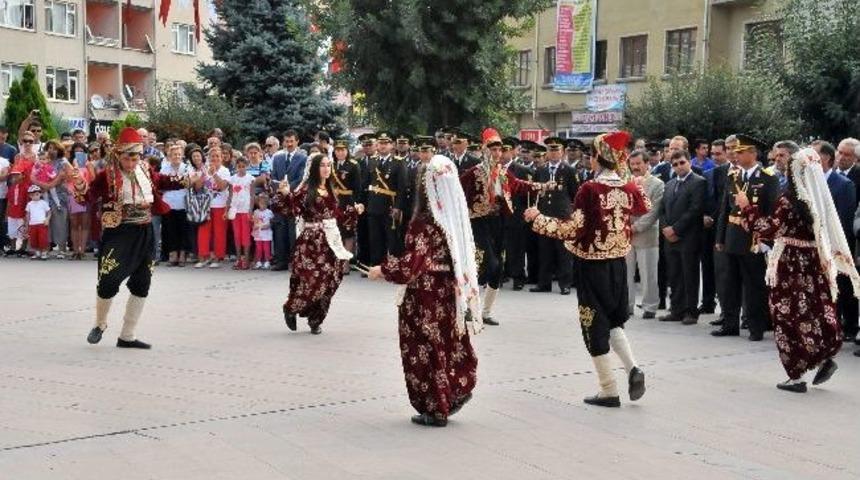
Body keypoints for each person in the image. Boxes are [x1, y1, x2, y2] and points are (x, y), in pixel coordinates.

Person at [525, 131, 650, 408]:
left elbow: (572, 228)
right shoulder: (628, 187)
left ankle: (608, 389)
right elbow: (645, 205)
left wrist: (538, 219)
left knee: (593, 325)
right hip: (619, 264)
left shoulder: (590, 189)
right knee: (614, 321)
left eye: (592, 155)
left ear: (597, 158)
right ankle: (633, 368)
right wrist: (628, 175)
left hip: (592, 266)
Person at [368, 154, 481, 427]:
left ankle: (435, 407)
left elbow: (411, 265)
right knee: (447, 343)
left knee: (425, 347)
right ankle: (454, 392)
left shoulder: (424, 223)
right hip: (448, 292)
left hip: (424, 295)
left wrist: (382, 269)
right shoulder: (450, 220)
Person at [736, 147, 858, 392]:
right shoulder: (817, 198)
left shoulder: (789, 200)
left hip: (789, 265)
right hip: (812, 262)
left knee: (787, 316)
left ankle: (796, 376)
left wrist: (746, 207)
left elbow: (769, 227)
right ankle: (822, 358)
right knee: (812, 311)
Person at [72, 127, 177, 350]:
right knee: (108, 280)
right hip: (119, 233)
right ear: (118, 155)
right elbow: (89, 197)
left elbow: (164, 181)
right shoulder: (107, 175)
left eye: (136, 157)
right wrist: (80, 186)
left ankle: (127, 335)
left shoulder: (146, 171)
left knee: (142, 283)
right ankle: (99, 324)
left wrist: (188, 180)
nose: (132, 162)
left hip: (145, 232)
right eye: (128, 157)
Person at [275, 154, 364, 334]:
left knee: (332, 279)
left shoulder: (331, 189)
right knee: (313, 280)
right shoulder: (307, 189)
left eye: (328, 165)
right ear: (315, 168)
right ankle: (291, 308)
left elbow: (336, 214)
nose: (326, 168)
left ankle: (316, 319)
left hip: (330, 241)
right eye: (322, 165)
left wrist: (354, 210)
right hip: (311, 243)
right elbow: (292, 209)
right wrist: (284, 194)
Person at [460, 129, 541, 325]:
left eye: (499, 149)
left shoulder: (503, 172)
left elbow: (519, 185)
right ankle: (467, 306)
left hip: (499, 222)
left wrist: (541, 186)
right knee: (488, 263)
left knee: (498, 268)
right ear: (484, 150)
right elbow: (459, 192)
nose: (496, 153)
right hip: (479, 222)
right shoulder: (473, 173)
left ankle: (486, 312)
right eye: (492, 149)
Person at [714, 134, 780, 341]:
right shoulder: (733, 176)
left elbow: (771, 210)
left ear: (753, 153)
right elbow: (725, 209)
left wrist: (766, 240)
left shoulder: (768, 177)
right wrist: (720, 237)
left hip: (753, 238)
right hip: (733, 235)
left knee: (753, 285)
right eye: (735, 151)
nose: (736, 155)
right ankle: (730, 323)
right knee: (729, 283)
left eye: (741, 152)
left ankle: (756, 326)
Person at [659, 149, 706, 325]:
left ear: (689, 162)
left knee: (689, 275)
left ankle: (690, 311)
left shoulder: (698, 182)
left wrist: (676, 229)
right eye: (675, 164)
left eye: (682, 163)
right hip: (669, 238)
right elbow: (662, 209)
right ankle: (676, 309)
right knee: (675, 275)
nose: (679, 166)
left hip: (688, 237)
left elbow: (695, 210)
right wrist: (665, 228)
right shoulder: (670, 184)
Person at [529, 136, 578, 295]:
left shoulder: (569, 170)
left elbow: (574, 193)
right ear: (547, 153)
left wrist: (570, 213)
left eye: (556, 150)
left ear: (562, 152)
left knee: (563, 252)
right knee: (545, 251)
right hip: (544, 214)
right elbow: (536, 191)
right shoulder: (541, 170)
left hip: (562, 215)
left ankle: (565, 284)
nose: (553, 153)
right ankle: (544, 283)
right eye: (550, 150)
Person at [626, 150, 664, 319]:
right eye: (632, 164)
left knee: (648, 273)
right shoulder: (625, 182)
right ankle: (626, 305)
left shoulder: (657, 184)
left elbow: (653, 212)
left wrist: (635, 227)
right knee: (625, 273)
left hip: (646, 234)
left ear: (647, 163)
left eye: (638, 164)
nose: (635, 167)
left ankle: (650, 306)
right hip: (625, 235)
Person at [365, 132, 406, 266]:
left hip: (390, 205)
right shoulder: (372, 161)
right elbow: (366, 184)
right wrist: (363, 204)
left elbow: (402, 187)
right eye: (380, 143)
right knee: (374, 236)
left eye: (386, 143)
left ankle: (391, 265)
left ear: (392, 145)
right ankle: (376, 264)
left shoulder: (398, 163)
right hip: (373, 204)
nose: (382, 146)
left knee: (391, 236)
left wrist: (398, 207)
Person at [269, 130, 307, 271]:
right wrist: (278, 186)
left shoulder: (303, 158)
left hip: (294, 199)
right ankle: (281, 261)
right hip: (280, 199)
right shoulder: (277, 158)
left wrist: (288, 188)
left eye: (292, 141)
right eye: (286, 141)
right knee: (280, 230)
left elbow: (302, 178)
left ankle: (295, 262)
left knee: (293, 231)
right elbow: (273, 177)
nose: (289, 144)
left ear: (297, 141)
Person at [195, 147, 230, 268]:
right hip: (205, 205)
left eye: (217, 156)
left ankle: (217, 257)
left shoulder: (225, 171)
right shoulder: (203, 170)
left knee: (219, 232)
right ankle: (203, 257)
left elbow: (222, 187)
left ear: (221, 158)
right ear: (208, 158)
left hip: (220, 205)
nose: (214, 158)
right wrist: (205, 174)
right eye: (212, 156)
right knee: (203, 232)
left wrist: (214, 174)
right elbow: (198, 187)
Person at [331, 138, 363, 271]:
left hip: (348, 201)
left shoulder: (353, 165)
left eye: (342, 150)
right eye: (337, 150)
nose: (340, 153)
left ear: (347, 151)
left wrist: (355, 203)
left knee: (348, 232)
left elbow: (358, 187)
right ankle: (336, 260)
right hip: (334, 201)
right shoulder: (331, 164)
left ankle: (346, 264)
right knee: (335, 231)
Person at [159, 145, 191, 266]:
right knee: (170, 230)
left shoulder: (186, 168)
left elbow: (187, 183)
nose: (176, 156)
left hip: (183, 203)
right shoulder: (164, 168)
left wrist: (173, 182)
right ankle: (173, 255)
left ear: (182, 155)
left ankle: (182, 255)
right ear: (169, 156)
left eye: (178, 154)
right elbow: (161, 184)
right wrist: (177, 181)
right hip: (169, 203)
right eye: (174, 154)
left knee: (183, 230)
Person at [25, 185, 51, 259]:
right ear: (30, 196)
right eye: (32, 195)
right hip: (32, 224)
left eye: (37, 194)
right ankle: (37, 252)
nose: (35, 196)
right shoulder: (29, 204)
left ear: (40, 194)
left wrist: (47, 219)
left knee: (43, 239)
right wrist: (27, 225)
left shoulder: (43, 203)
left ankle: (44, 252)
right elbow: (27, 215)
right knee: (33, 239)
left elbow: (49, 212)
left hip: (42, 224)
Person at [252, 194, 274, 269]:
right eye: (261, 203)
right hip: (258, 234)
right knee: (258, 248)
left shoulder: (269, 212)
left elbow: (271, 222)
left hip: (266, 234)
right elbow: (254, 222)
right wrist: (254, 227)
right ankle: (258, 261)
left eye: (265, 203)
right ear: (258, 203)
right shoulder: (256, 212)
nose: (263, 205)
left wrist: (267, 226)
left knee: (266, 248)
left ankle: (267, 261)